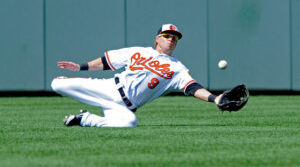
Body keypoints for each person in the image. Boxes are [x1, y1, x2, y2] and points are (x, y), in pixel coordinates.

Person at [51, 24, 222, 127]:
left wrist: (215, 99)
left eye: (175, 38)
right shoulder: (138, 51)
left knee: (128, 123)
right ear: (157, 39)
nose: (171, 40)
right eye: (167, 36)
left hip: (124, 106)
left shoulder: (177, 68)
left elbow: (192, 87)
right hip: (108, 88)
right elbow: (107, 61)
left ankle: (85, 119)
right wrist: (80, 67)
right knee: (56, 84)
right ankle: (82, 104)